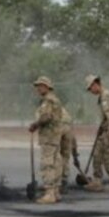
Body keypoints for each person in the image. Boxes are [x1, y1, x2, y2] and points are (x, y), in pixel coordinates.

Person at [85, 74, 109, 192]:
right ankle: (97, 181)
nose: (90, 91)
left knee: (108, 159)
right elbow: (106, 118)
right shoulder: (103, 96)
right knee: (97, 155)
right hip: (106, 130)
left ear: (95, 84)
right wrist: (102, 128)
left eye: (90, 88)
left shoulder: (105, 96)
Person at [28, 76, 64, 204]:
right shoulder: (55, 100)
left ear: (47, 87)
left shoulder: (48, 100)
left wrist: (35, 125)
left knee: (47, 163)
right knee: (56, 162)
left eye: (40, 86)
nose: (38, 88)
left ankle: (49, 193)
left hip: (49, 136)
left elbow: (46, 117)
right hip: (55, 136)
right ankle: (56, 191)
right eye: (37, 86)